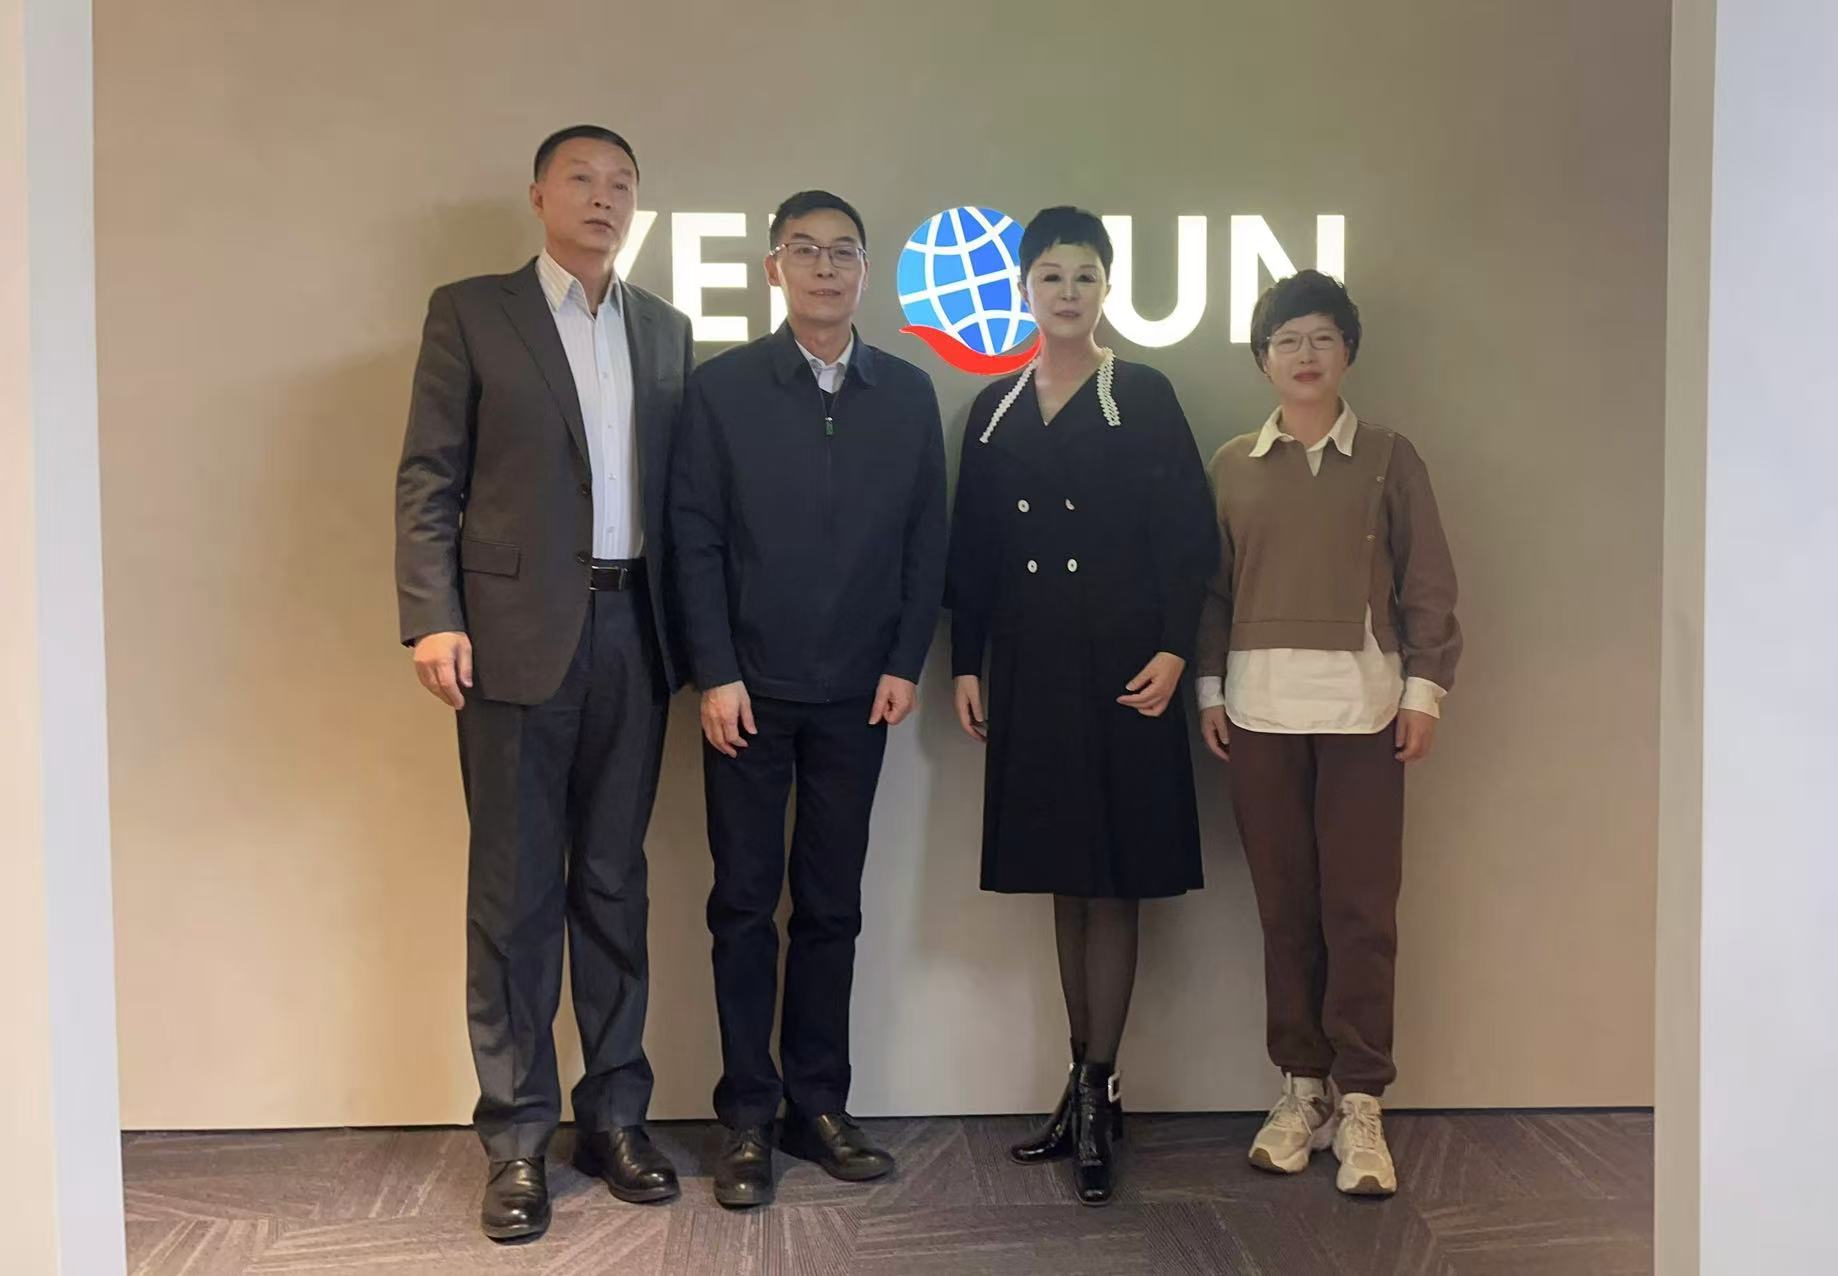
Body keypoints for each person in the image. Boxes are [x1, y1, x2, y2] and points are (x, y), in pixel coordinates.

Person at [395, 125, 696, 1242]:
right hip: (511, 637)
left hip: (635, 633)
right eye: (581, 178)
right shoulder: (473, 312)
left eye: (622, 182)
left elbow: (684, 500)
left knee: (615, 885)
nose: (602, 197)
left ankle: (615, 1117)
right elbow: (429, 475)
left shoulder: (664, 329)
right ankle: (517, 1137)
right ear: (537, 195)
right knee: (516, 894)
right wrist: (432, 613)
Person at [669, 190, 947, 1209]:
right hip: (746, 694)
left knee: (832, 906)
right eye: (805, 250)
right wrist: (715, 671)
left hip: (857, 696)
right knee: (744, 906)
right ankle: (746, 1115)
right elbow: (694, 537)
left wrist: (903, 662)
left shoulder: (906, 393)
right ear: (773, 267)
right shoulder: (723, 389)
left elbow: (927, 540)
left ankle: (817, 1104)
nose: (825, 267)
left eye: (843, 252)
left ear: (865, 272)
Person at [945, 207, 1218, 1206]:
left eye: (1085, 276)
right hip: (1030, 662)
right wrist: (966, 663)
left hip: (1124, 663)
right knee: (1063, 875)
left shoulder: (1139, 392)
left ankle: (1099, 1090)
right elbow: (972, 548)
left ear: (1108, 289)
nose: (1067, 292)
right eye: (1051, 276)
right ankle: (1081, 1082)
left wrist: (1174, 647)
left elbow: (1188, 534)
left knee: (1115, 880)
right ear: (1024, 289)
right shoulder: (994, 406)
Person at [1193, 269, 1462, 1197]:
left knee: (1361, 912)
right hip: (1259, 713)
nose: (1304, 355)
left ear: (1347, 350)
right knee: (1284, 909)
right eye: (1286, 340)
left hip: (1364, 713)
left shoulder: (1389, 457)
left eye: (1321, 337)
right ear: (1262, 359)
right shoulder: (1232, 463)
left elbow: (1428, 582)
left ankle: (1361, 1102)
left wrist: (1424, 692)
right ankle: (1300, 1089)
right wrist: (1210, 690)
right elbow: (1211, 590)